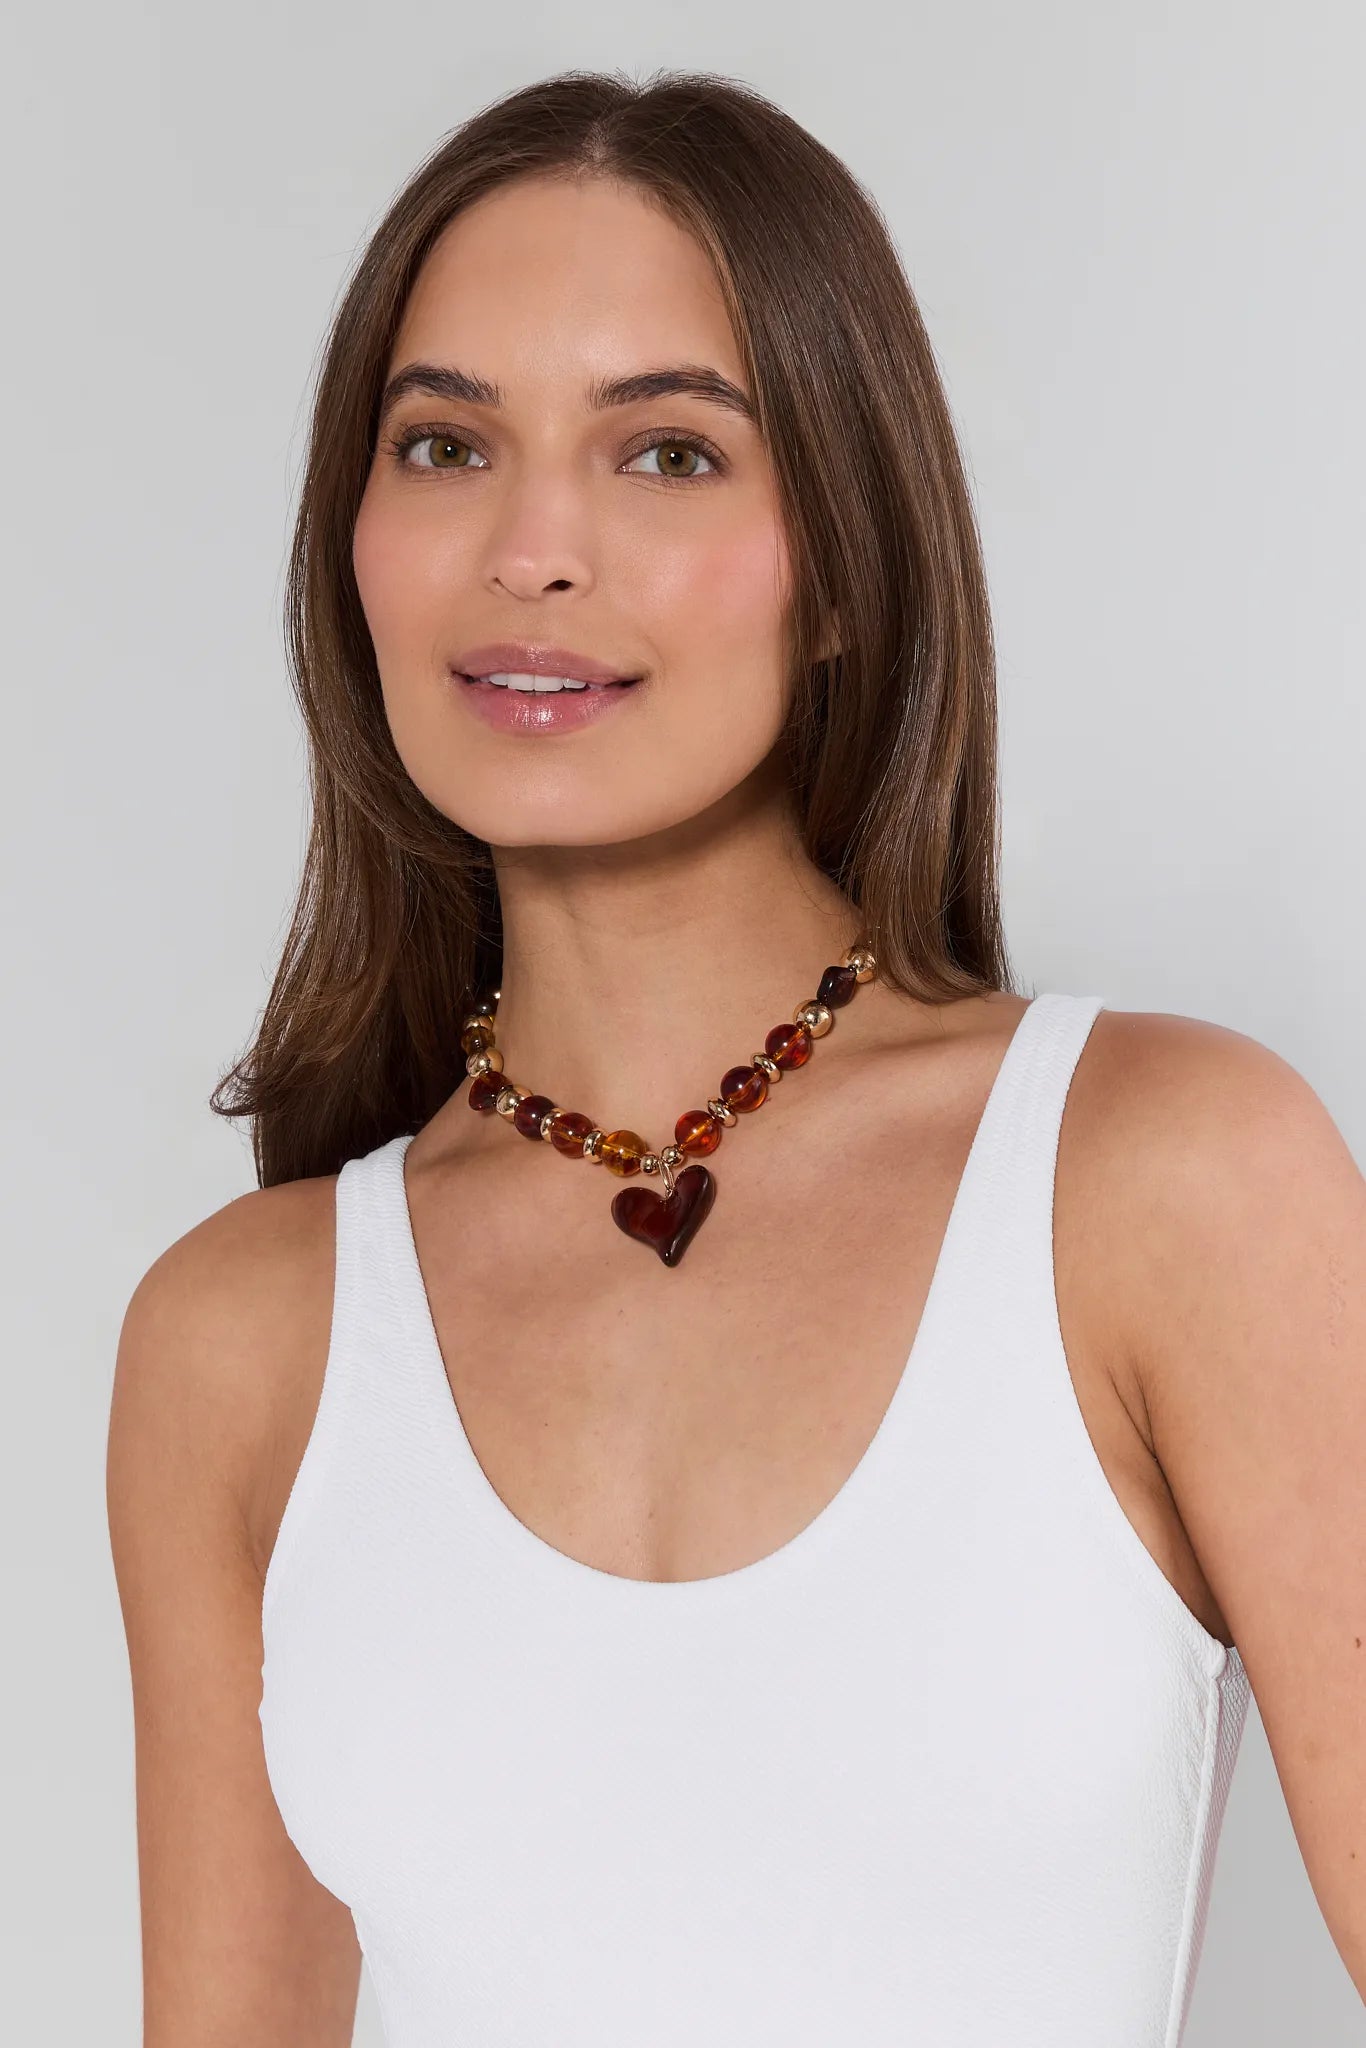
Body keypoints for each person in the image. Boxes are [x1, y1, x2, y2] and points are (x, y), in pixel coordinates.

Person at [106, 66, 1366, 2047]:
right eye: (442, 445)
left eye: (666, 455)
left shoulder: (1162, 1179)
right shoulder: (238, 1345)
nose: (531, 547)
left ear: (845, 564)